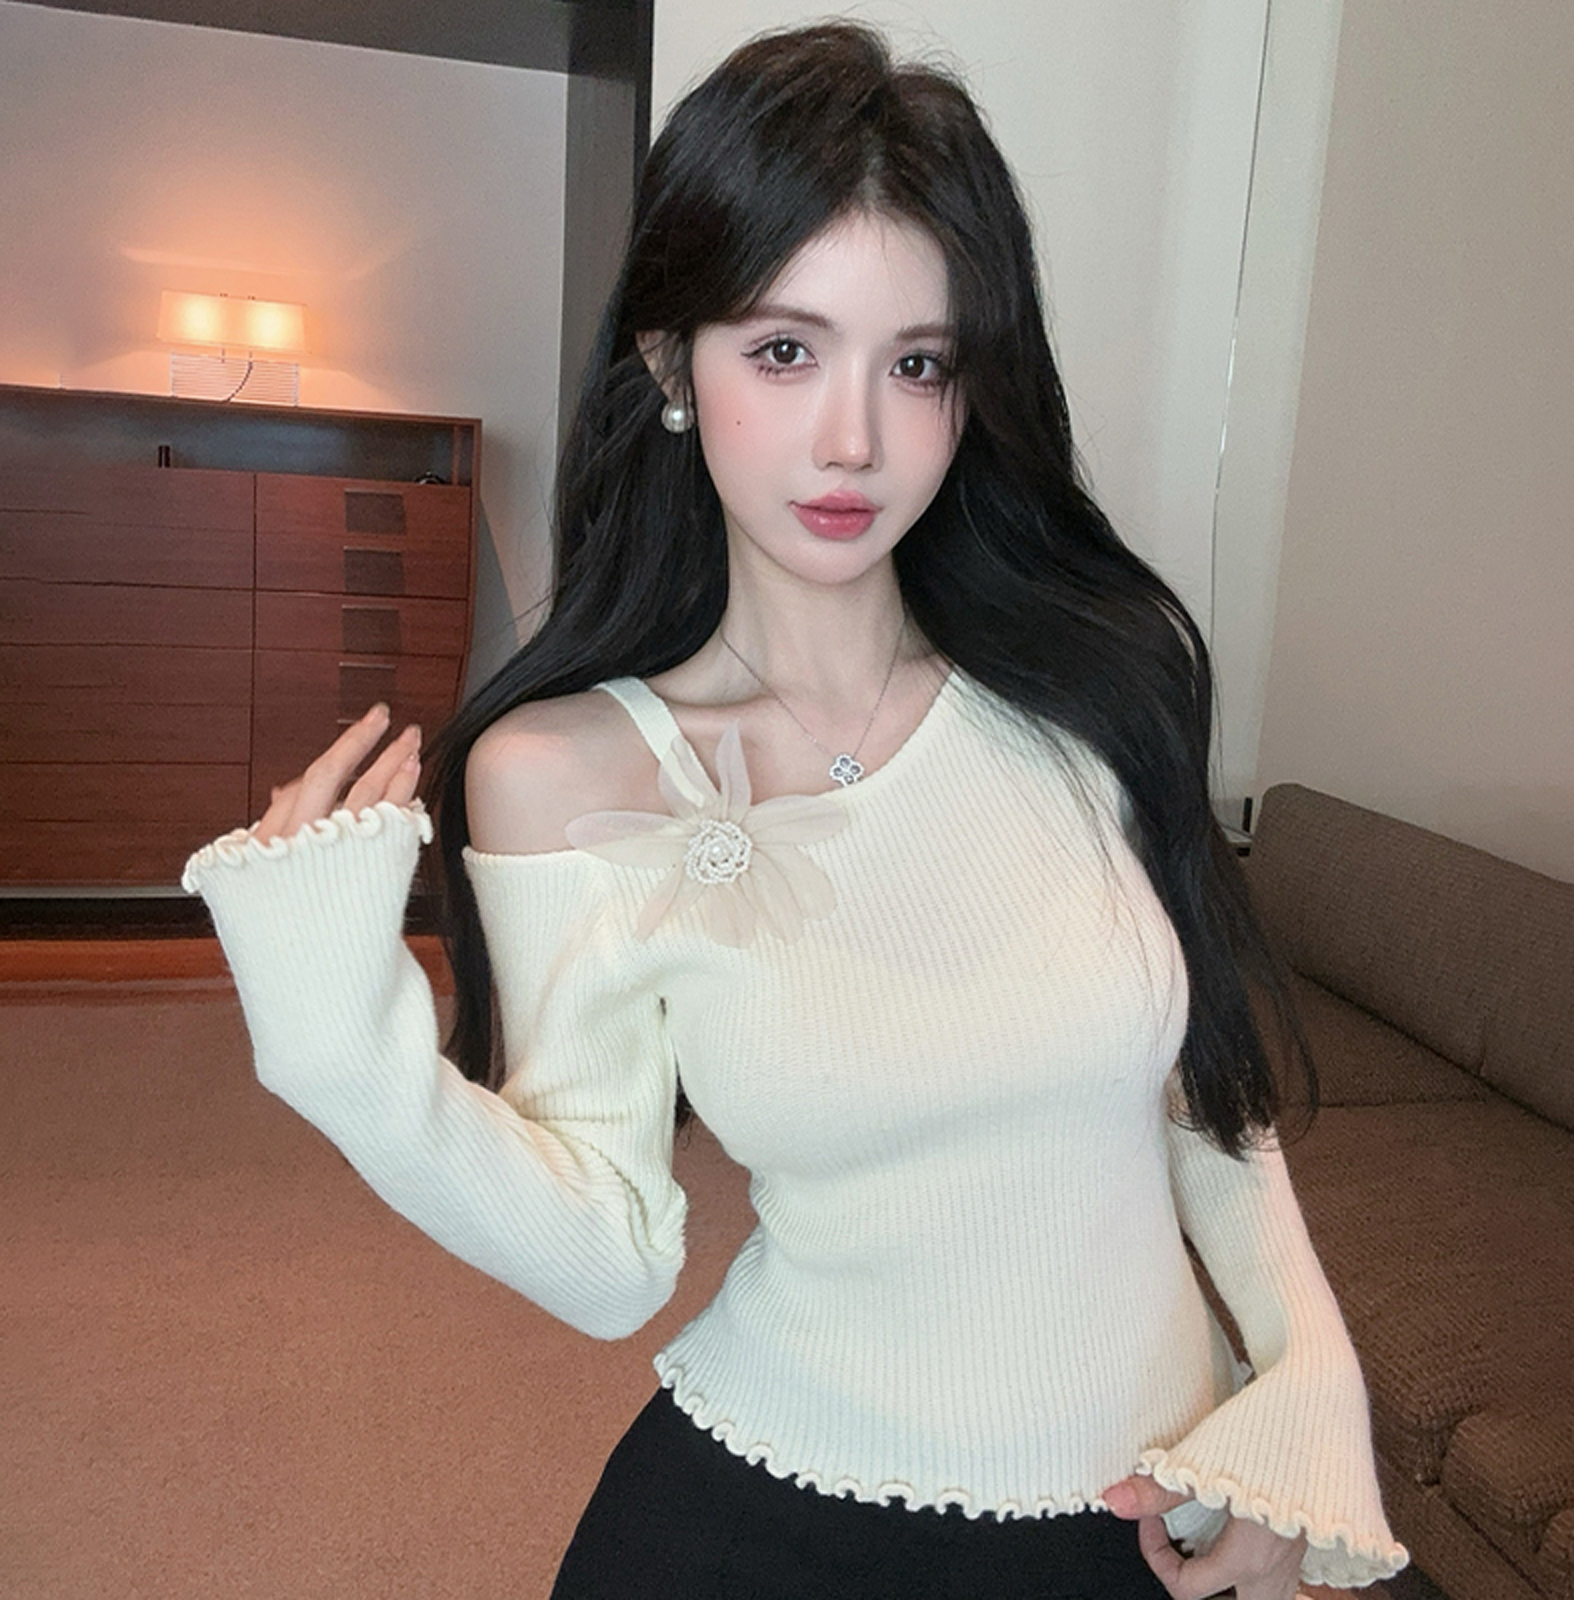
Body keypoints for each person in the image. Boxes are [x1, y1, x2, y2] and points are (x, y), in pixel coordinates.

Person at [184, 22, 1407, 1600]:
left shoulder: (1086, 695)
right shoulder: (568, 774)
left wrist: (1303, 1405)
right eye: (783, 351)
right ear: (668, 365)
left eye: (918, 363)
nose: (854, 439)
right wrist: (340, 1056)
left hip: (1142, 1526)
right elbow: (609, 1257)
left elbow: (1203, 1091)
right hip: (779, 1522)